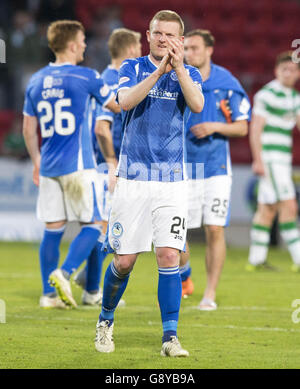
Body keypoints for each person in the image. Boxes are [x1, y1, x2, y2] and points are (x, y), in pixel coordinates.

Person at [94, 10, 204, 357]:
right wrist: (159, 71)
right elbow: (124, 102)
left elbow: (198, 105)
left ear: (180, 41)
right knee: (124, 261)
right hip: (133, 178)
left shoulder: (192, 74)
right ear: (148, 34)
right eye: (158, 34)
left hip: (171, 180)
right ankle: (105, 320)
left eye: (171, 35)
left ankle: (170, 338)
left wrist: (179, 69)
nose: (164, 40)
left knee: (170, 254)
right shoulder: (132, 68)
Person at [22, 20, 119, 309]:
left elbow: (28, 129)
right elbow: (116, 104)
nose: (86, 45)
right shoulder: (86, 76)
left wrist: (36, 161)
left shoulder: (36, 80)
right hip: (79, 164)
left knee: (53, 228)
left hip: (49, 165)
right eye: (83, 41)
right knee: (95, 224)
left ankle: (49, 296)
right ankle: (63, 274)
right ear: (74, 44)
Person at [180, 29, 250, 310]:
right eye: (185, 48)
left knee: (215, 229)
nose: (188, 53)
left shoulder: (227, 82)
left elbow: (242, 126)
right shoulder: (178, 77)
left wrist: (214, 126)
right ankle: (184, 274)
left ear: (210, 50)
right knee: (175, 230)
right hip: (183, 166)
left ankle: (209, 294)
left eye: (194, 48)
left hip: (216, 167)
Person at [74, 28, 142, 306]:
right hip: (108, 161)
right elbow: (102, 127)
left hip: (110, 160)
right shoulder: (114, 80)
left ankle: (87, 280)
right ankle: (79, 279)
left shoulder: (104, 76)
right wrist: (111, 161)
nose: (141, 50)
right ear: (129, 50)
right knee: (106, 224)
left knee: (112, 224)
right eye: (138, 45)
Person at [246, 51, 300, 272]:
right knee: (289, 205)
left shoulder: (294, 97)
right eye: (284, 69)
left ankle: (256, 260)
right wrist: (257, 160)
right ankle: (298, 258)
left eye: (293, 70)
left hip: (283, 158)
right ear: (277, 71)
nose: (288, 73)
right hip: (270, 158)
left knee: (267, 209)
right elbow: (255, 129)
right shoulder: (267, 94)